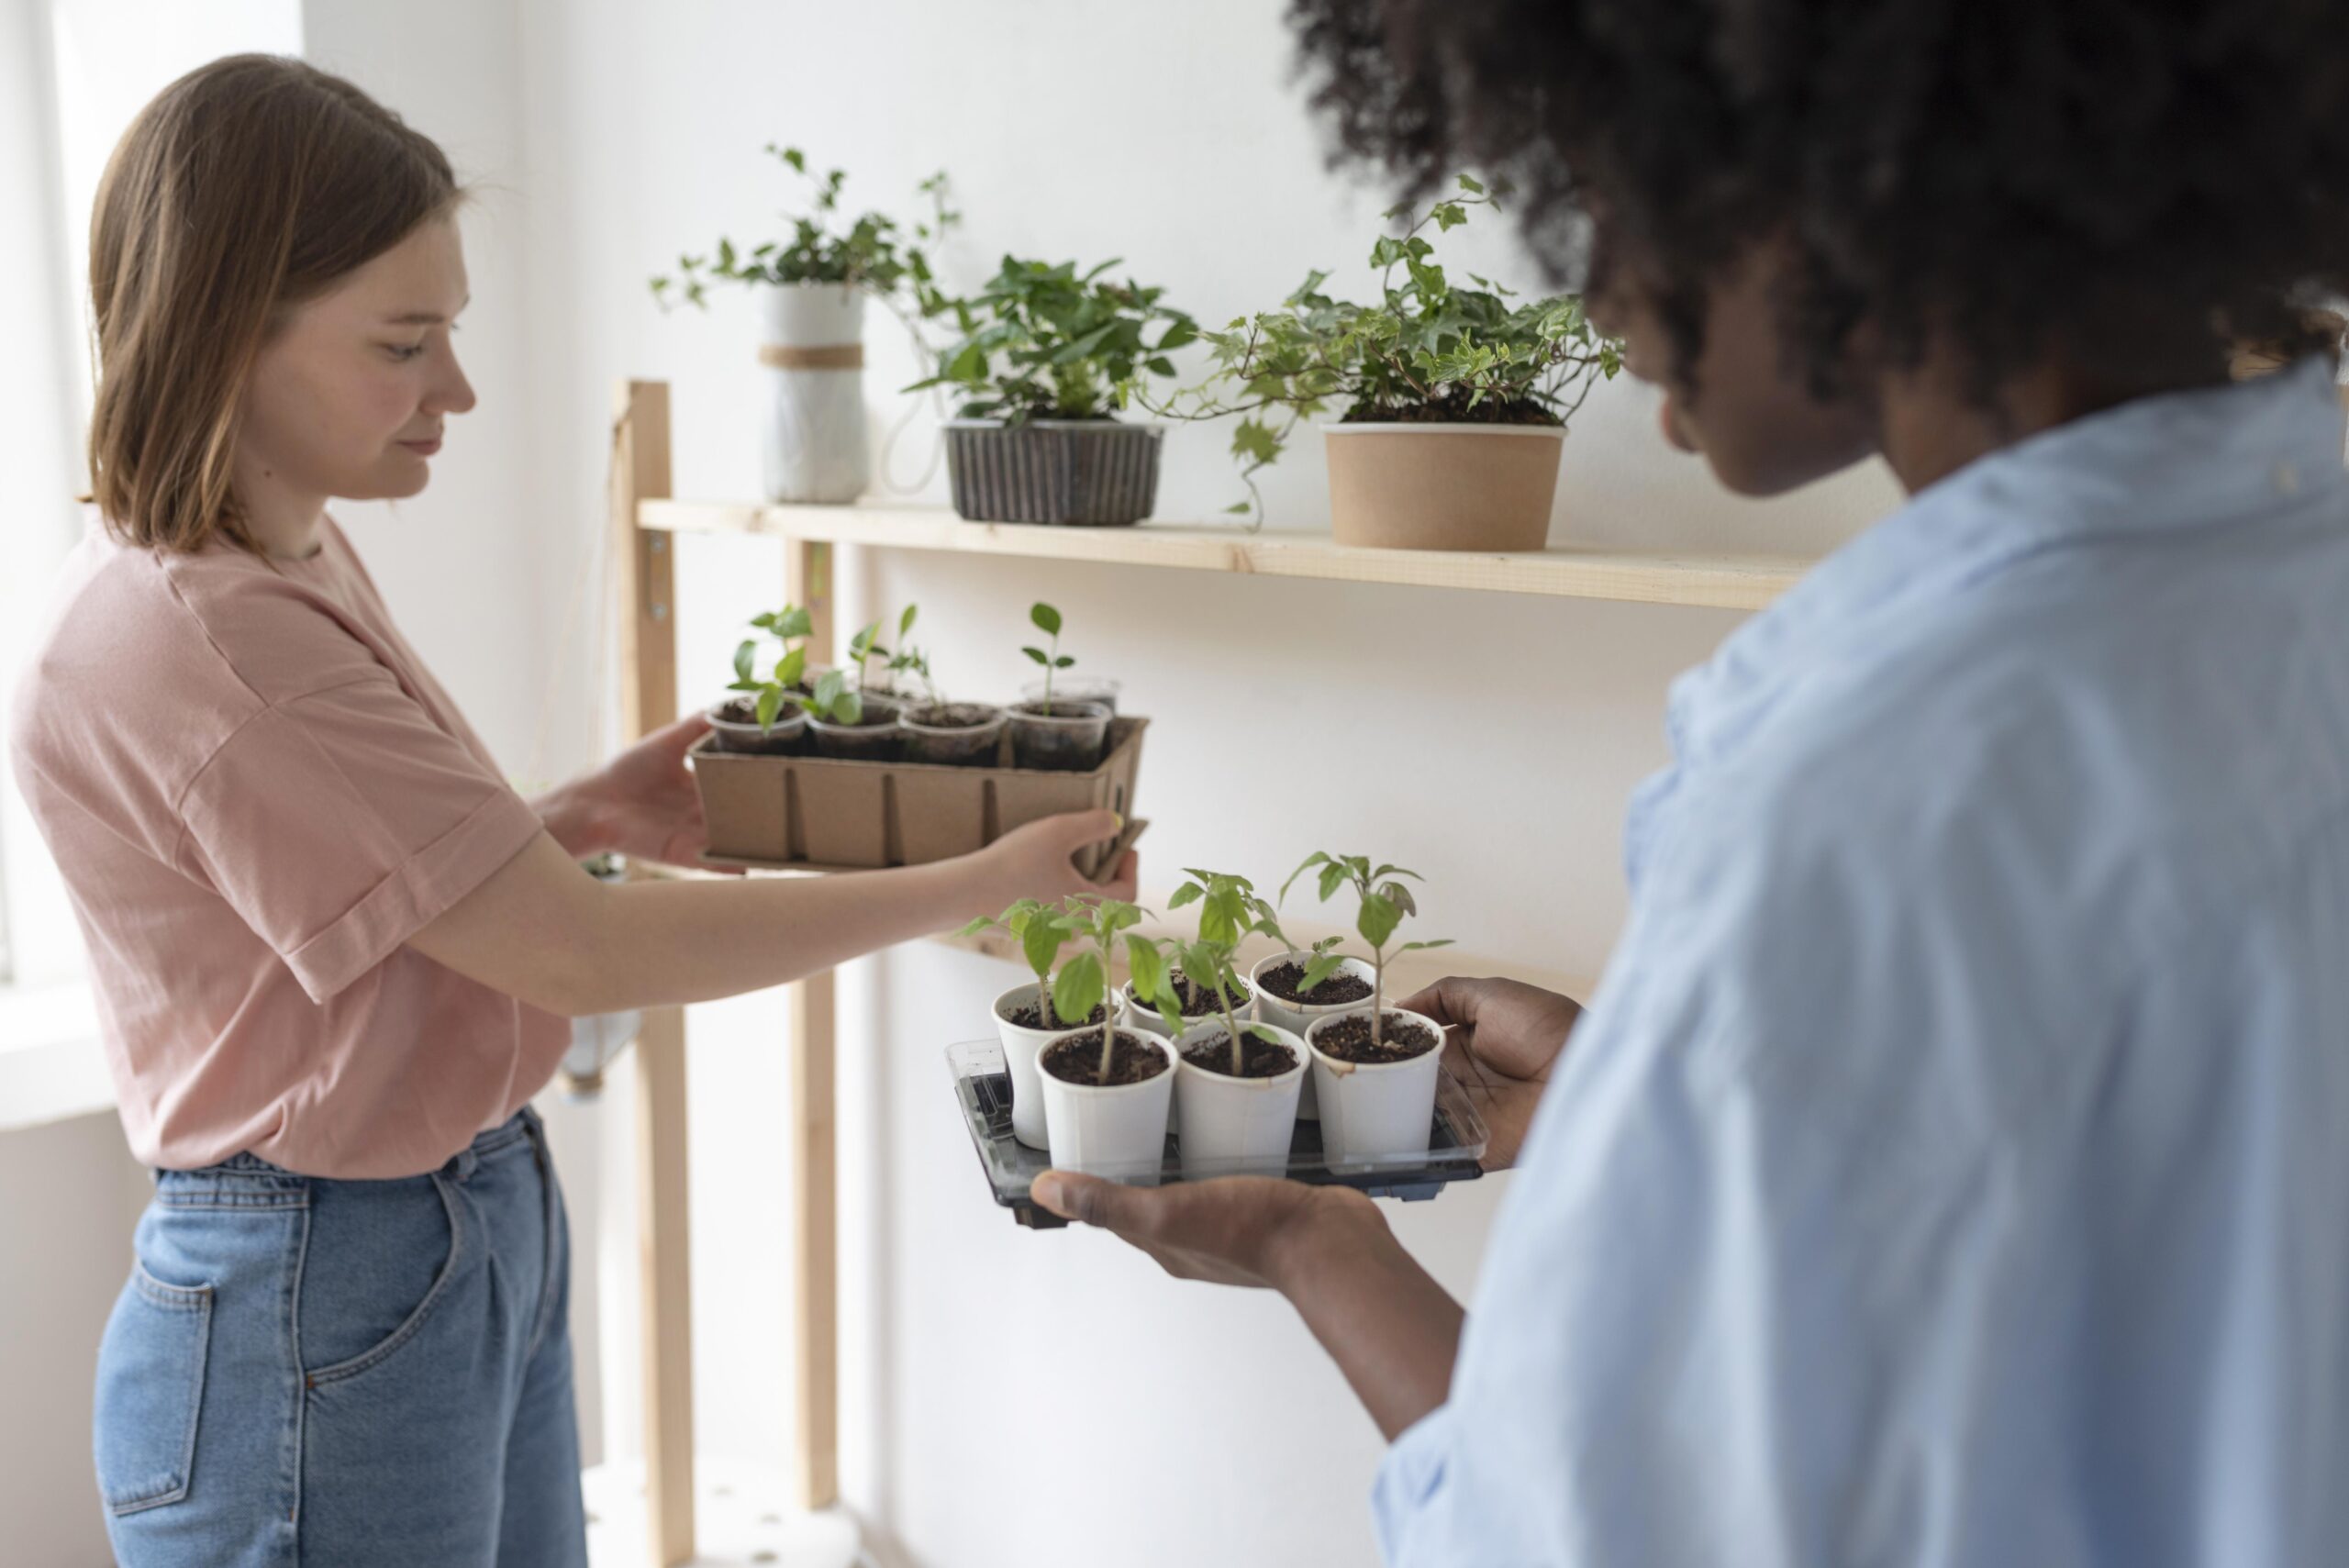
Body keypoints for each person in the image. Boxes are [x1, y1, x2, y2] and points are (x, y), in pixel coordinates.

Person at [1032, 3, 2349, 1563]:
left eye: (1612, 188)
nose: (1594, 295)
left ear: (1821, 171)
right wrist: (1652, 1092)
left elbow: (1581, 1535)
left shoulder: (1864, 799)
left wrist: (1317, 1246)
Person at [6, 54, 1133, 1567]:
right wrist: (976, 881)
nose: (456, 389)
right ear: (227, 336)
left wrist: (571, 811)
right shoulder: (211, 636)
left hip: (436, 1232)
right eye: (405, 344)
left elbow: (339, 899)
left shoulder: (278, 553)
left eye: (451, 331)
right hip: (322, 1284)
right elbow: (586, 957)